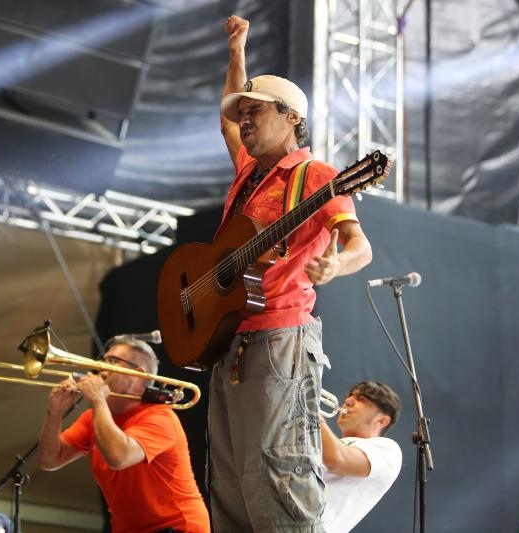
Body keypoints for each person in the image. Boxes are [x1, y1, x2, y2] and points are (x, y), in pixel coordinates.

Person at [209, 15, 374, 532]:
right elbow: (225, 119)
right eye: (245, 114)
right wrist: (237, 50)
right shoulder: (247, 175)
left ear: (290, 117)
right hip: (229, 337)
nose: (246, 121)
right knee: (231, 482)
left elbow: (359, 246)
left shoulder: (316, 176)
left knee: (275, 473)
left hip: (279, 336)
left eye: (256, 112)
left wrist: (336, 264)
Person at [38, 335, 210, 533]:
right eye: (102, 360)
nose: (99, 367)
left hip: (177, 528)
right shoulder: (94, 417)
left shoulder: (160, 417)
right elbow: (49, 460)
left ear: (138, 375)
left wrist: (98, 400)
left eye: (111, 361)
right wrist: (55, 413)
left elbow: (119, 457)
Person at [321, 381, 403, 532]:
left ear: (382, 420)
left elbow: (338, 461)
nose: (348, 401)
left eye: (361, 399)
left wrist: (313, 416)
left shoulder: (387, 449)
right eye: (350, 395)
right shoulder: (330, 444)